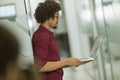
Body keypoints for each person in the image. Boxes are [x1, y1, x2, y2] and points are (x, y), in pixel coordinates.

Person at [32, 0, 81, 80]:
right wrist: (66, 61)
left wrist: (71, 62)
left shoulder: (46, 34)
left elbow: (52, 61)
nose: (58, 20)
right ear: (48, 16)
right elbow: (41, 66)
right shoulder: (42, 36)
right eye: (56, 16)